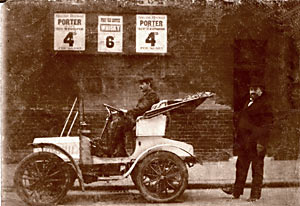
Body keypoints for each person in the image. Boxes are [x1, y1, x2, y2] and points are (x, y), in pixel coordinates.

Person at [222, 83, 274, 202]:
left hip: (256, 143)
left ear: (261, 90)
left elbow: (267, 126)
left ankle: (255, 195)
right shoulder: (248, 102)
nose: (252, 92)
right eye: (251, 89)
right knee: (241, 166)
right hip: (244, 142)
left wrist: (261, 143)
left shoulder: (265, 105)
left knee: (257, 169)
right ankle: (236, 191)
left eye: (255, 89)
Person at [107, 77, 160, 157]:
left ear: (148, 84)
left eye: (142, 84)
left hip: (144, 121)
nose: (140, 86)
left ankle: (111, 149)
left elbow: (142, 108)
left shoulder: (152, 95)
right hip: (141, 120)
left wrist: (127, 112)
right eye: (139, 84)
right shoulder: (148, 95)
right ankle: (120, 151)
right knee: (119, 124)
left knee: (117, 124)